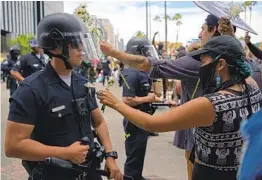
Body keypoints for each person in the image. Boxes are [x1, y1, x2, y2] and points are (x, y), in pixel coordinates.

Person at [98, 35, 262, 180]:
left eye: (204, 61)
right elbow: (242, 67)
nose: (201, 67)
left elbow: (151, 124)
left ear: (220, 64)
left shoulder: (211, 104)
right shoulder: (253, 88)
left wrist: (116, 103)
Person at [4, 13, 122, 180]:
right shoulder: (30, 90)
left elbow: (99, 121)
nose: (81, 48)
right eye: (75, 43)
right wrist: (65, 153)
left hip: (90, 173)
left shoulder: (82, 83)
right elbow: (13, 146)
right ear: (54, 47)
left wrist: (110, 155)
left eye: (82, 42)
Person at [121, 37, 162, 180]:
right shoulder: (132, 73)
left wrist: (163, 101)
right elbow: (127, 100)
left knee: (139, 153)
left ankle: (136, 176)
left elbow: (146, 94)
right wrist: (148, 99)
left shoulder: (141, 71)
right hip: (134, 121)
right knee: (134, 154)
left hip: (142, 119)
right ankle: (130, 177)